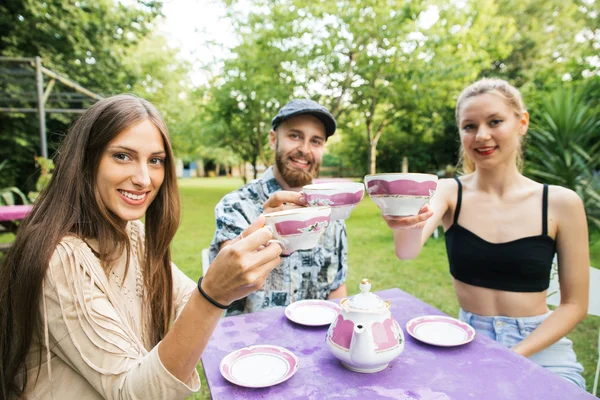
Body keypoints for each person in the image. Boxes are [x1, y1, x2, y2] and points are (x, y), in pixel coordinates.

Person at [0, 94, 282, 399]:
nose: (144, 179)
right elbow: (132, 393)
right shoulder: (60, 259)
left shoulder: (132, 234)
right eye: (122, 156)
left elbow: (186, 299)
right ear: (86, 160)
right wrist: (212, 296)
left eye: (155, 160)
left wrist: (257, 239)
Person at [384, 78, 589, 389]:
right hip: (468, 340)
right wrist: (404, 219)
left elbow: (575, 304)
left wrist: (514, 355)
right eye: (469, 126)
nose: (481, 135)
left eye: (495, 121)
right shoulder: (448, 192)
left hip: (541, 345)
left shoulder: (561, 203)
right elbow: (407, 251)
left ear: (522, 123)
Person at [209, 99, 348, 315]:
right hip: (255, 342)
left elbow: (336, 287)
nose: (304, 149)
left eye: (316, 141)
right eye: (295, 136)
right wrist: (269, 230)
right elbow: (225, 287)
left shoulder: (333, 210)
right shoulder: (235, 206)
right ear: (274, 139)